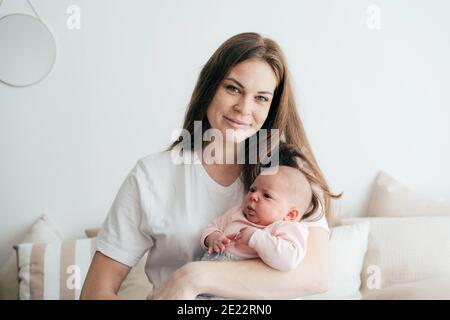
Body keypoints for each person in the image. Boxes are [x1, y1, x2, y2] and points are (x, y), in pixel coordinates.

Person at [80, 32, 341, 300]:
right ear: (209, 87)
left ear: (272, 107)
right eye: (233, 88)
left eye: (261, 98)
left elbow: (315, 275)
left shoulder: (290, 175)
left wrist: (193, 277)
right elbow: (95, 291)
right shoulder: (152, 176)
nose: (243, 108)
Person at [200, 165, 313, 273]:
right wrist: (213, 237)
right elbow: (212, 227)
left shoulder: (285, 228)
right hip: (206, 268)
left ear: (290, 215)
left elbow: (288, 260)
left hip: (236, 281)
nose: (253, 196)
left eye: (267, 195)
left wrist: (255, 237)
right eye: (253, 189)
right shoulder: (237, 212)